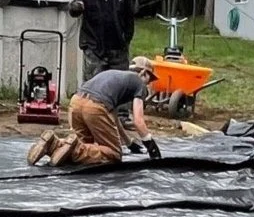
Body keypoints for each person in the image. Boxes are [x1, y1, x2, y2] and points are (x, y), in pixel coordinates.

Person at [26, 57, 162, 167]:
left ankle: (53, 144)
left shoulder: (115, 76)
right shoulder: (139, 83)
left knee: (84, 146)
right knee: (113, 154)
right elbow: (139, 121)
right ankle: (74, 150)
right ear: (144, 73)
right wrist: (151, 147)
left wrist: (128, 142)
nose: (149, 83)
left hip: (76, 102)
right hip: (95, 106)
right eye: (149, 79)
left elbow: (112, 117)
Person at [69, 0, 135, 81]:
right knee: (94, 84)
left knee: (120, 84)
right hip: (94, 49)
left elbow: (129, 18)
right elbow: (75, 8)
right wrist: (77, 7)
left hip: (118, 49)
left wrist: (126, 39)